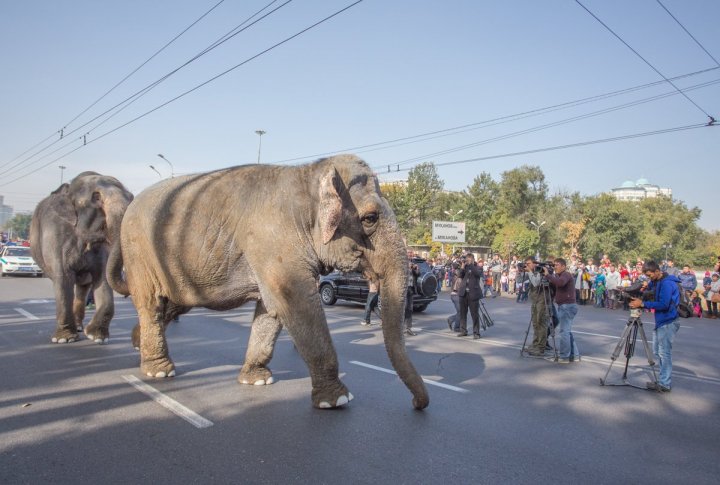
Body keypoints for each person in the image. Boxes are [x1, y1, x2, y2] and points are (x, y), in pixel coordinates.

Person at [629, 260, 681, 392]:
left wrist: (642, 304)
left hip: (668, 322)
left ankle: (665, 383)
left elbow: (663, 304)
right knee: (658, 352)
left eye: (650, 275)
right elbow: (650, 286)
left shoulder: (667, 284)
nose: (649, 278)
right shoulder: (657, 281)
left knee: (664, 353)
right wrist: (643, 286)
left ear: (657, 271)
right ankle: (663, 380)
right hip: (661, 321)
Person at [543, 258, 580, 363]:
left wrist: (547, 275)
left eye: (557, 265)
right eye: (554, 265)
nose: (555, 267)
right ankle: (574, 355)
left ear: (563, 266)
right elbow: (556, 286)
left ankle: (564, 357)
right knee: (567, 332)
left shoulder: (566, 275)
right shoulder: (559, 276)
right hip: (565, 306)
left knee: (564, 332)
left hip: (566, 306)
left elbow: (560, 283)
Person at [525, 257, 550, 356]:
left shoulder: (540, 270)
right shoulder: (532, 271)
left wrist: (530, 272)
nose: (527, 265)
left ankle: (541, 347)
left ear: (534, 263)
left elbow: (536, 283)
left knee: (541, 322)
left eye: (528, 263)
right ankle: (535, 344)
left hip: (541, 300)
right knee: (535, 323)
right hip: (534, 300)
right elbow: (521, 281)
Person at [457, 253, 484, 339]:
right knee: (462, 314)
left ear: (472, 259)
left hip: (473, 294)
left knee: (474, 314)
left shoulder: (477, 267)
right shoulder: (465, 267)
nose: (466, 261)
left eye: (468, 259)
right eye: (466, 259)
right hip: (464, 293)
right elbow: (460, 275)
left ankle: (476, 333)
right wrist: (462, 266)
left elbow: (477, 274)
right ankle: (463, 330)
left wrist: (471, 264)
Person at [404, 262, 419, 336]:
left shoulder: (412, 270)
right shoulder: (403, 269)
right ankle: (402, 328)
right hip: (404, 290)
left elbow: (418, 274)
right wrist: (407, 268)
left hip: (410, 290)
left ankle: (408, 328)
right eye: (409, 263)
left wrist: (416, 268)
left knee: (409, 309)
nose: (411, 264)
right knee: (404, 308)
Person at [447, 267, 463, 332]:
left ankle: (451, 319)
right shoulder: (459, 279)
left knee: (460, 312)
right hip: (456, 296)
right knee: (460, 312)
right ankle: (456, 327)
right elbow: (459, 290)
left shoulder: (455, 277)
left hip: (454, 295)